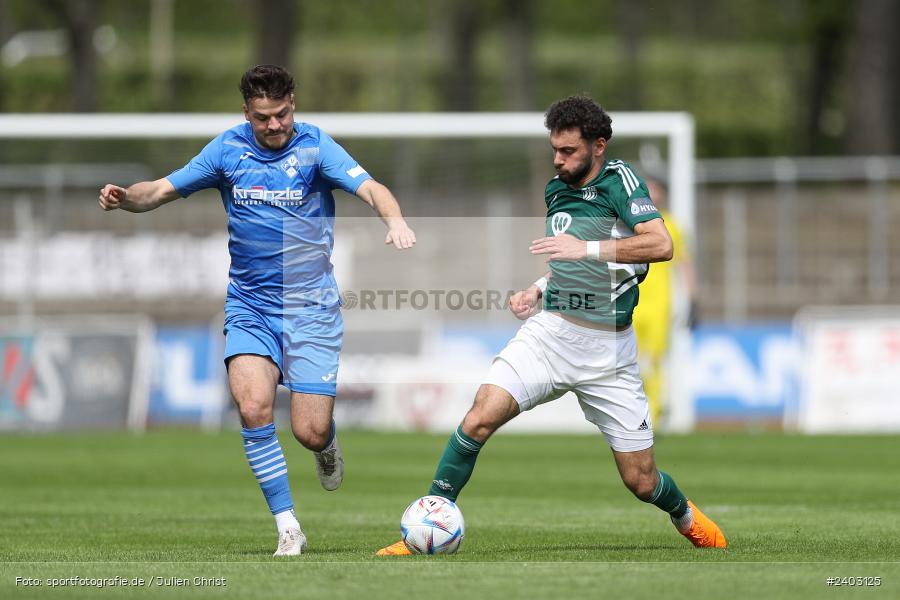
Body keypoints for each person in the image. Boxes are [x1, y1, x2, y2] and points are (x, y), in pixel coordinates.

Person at [376, 95, 725, 556]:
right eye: (555, 150)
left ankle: (687, 518)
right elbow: (568, 259)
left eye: (569, 151)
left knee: (640, 480)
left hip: (609, 353)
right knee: (480, 416)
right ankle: (424, 528)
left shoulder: (621, 182)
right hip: (551, 334)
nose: (558, 160)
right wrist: (538, 288)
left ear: (598, 145)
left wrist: (589, 249)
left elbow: (660, 245)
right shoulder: (556, 190)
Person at [99, 65, 416, 556]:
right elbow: (159, 191)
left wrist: (393, 221)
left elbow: (372, 188)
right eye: (264, 117)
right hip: (250, 305)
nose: (275, 126)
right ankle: (288, 525)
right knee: (252, 408)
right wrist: (125, 200)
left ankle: (326, 443)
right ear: (246, 112)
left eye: (282, 114)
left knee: (308, 431)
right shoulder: (226, 150)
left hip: (311, 307)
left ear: (294, 104)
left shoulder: (315, 147)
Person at [631, 178, 697, 426]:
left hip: (659, 305)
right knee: (626, 361)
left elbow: (685, 263)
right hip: (630, 301)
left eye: (655, 189)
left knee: (655, 360)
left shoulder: (672, 226)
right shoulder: (628, 222)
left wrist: (692, 299)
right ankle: (629, 414)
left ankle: (654, 416)